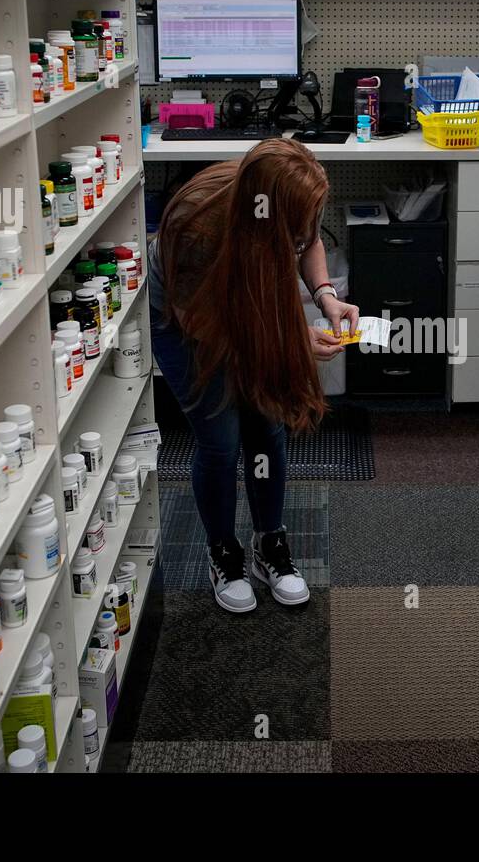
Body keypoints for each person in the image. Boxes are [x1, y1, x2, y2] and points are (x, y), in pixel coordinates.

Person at [150, 139, 357, 612]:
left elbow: (310, 240)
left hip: (251, 305)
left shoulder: (282, 205)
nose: (301, 234)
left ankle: (270, 545)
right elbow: (205, 326)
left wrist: (325, 296)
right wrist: (287, 339)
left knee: (266, 423)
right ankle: (223, 550)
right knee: (221, 435)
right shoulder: (197, 223)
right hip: (184, 321)